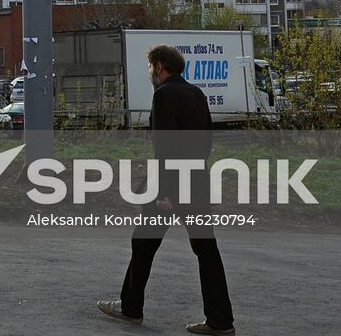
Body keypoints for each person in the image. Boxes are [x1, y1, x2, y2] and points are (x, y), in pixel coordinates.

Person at [97, 45, 236, 335]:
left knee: (143, 243)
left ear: (160, 66)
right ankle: (221, 321)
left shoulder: (163, 95)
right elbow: (207, 140)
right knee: (206, 250)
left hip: (170, 183)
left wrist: (164, 191)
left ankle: (131, 308)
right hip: (197, 180)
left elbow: (165, 146)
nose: (150, 72)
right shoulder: (196, 93)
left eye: (151, 67)